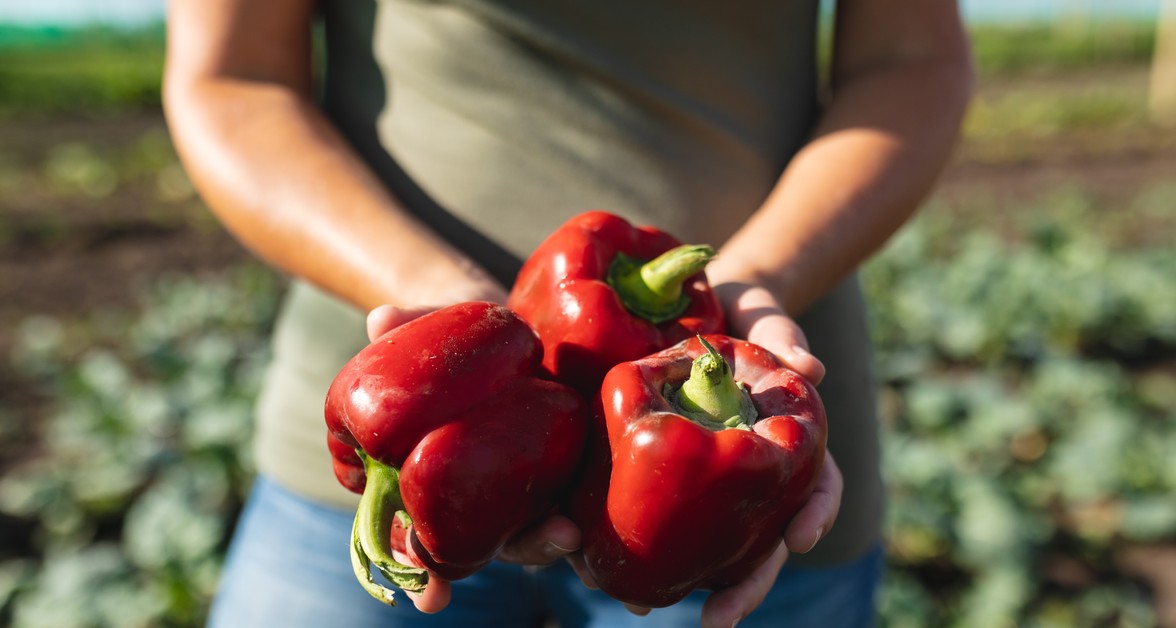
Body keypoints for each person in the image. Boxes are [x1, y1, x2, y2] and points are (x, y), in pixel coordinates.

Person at [162, 0, 972, 626]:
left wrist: (762, 274)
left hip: (750, 427)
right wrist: (421, 284)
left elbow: (913, 60)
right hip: (380, 420)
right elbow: (234, 78)